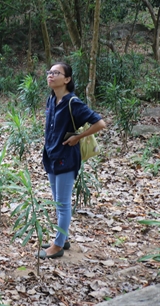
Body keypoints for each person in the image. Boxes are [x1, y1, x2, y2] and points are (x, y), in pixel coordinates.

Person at [40, 62, 106, 259]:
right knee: (57, 201)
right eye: (49, 72)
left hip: (66, 158)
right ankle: (63, 237)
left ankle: (58, 246)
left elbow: (100, 123)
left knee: (63, 204)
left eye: (56, 73)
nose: (50, 75)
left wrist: (78, 137)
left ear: (67, 79)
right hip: (51, 156)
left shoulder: (73, 102)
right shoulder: (52, 100)